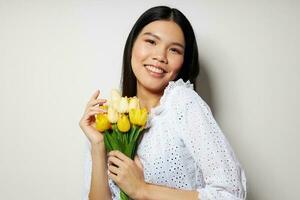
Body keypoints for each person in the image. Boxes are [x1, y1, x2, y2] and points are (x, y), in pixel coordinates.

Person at [79, 5, 247, 200]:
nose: (160, 56)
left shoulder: (183, 104)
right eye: (151, 41)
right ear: (132, 44)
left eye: (174, 50)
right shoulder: (109, 118)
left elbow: (230, 193)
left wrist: (143, 190)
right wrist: (98, 146)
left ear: (184, 61)